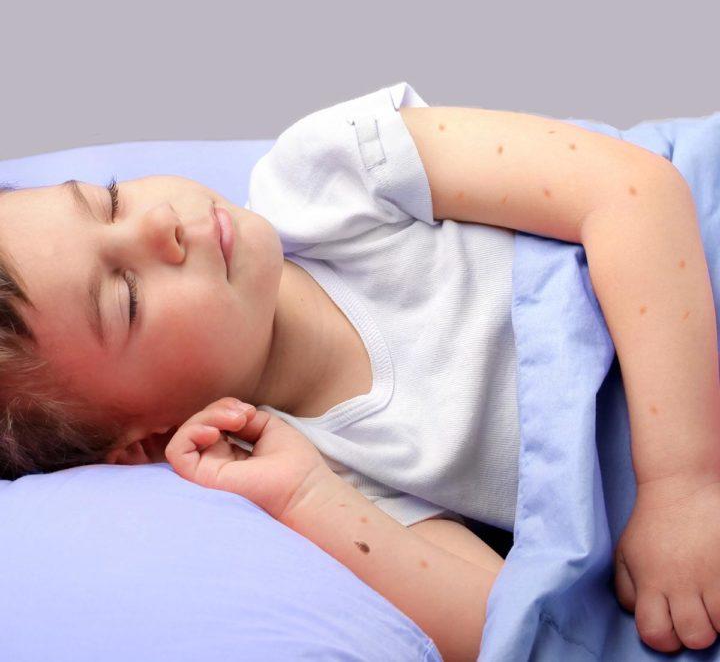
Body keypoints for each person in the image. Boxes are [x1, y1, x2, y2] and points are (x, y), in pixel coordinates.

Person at [1, 82, 718, 657]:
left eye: (111, 199)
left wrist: (681, 483)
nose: (157, 222)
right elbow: (508, 623)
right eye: (125, 296)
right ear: (147, 441)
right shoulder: (315, 463)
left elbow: (631, 190)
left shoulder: (332, 175)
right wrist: (307, 498)